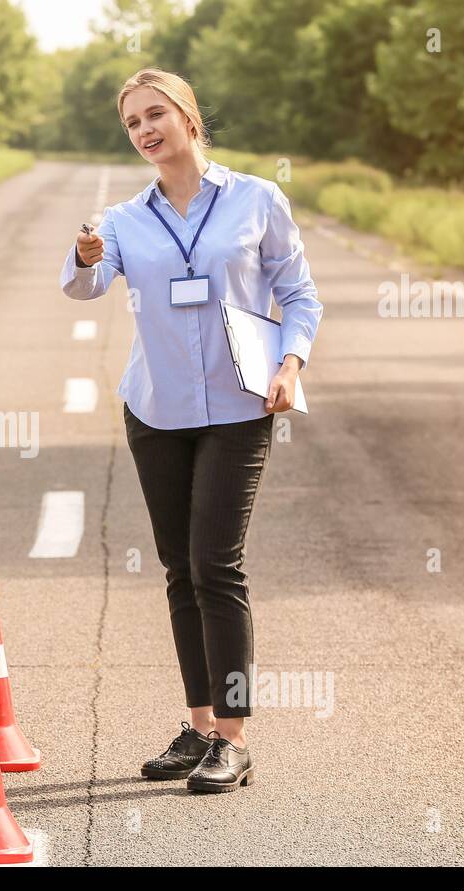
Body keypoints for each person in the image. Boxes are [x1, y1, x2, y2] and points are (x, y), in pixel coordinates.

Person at [60, 68, 323, 794]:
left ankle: (234, 738)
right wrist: (83, 258)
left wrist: (291, 363)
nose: (145, 131)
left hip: (241, 406)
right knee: (180, 569)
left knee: (217, 564)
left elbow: (299, 292)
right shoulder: (121, 218)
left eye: (155, 115)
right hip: (157, 409)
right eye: (132, 124)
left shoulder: (256, 200)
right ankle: (202, 725)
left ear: (188, 117)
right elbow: (85, 284)